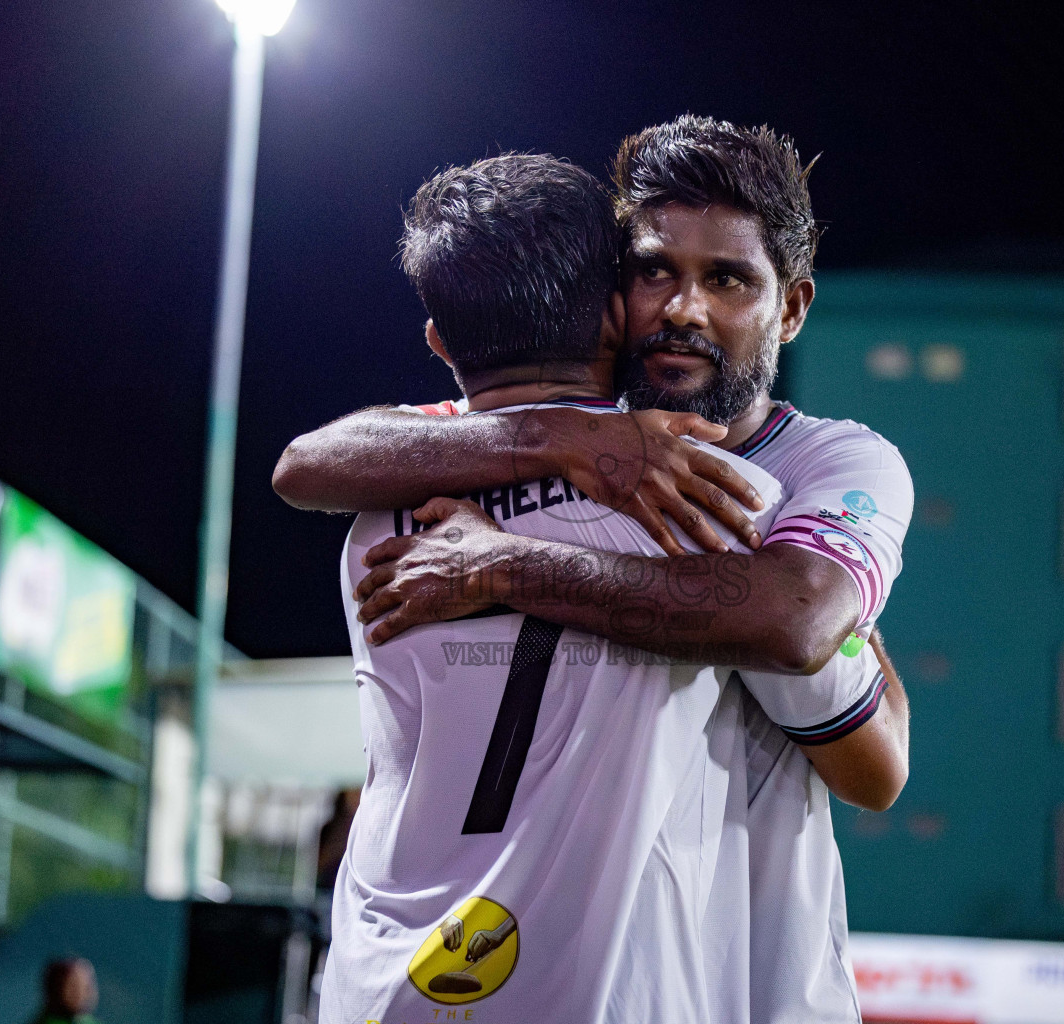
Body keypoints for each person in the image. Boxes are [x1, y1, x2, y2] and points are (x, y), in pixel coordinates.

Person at [276, 115, 914, 1022]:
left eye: (726, 279)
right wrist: (569, 436)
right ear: (614, 295)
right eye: (656, 269)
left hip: (657, 973)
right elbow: (307, 461)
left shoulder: (820, 470)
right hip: (636, 983)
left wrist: (512, 565)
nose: (684, 308)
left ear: (793, 307)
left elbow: (799, 632)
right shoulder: (649, 486)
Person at [31, 959, 99, 1024]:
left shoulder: (88, 1021)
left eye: (86, 986)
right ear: (55, 988)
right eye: (73, 986)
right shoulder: (47, 1021)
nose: (81, 993)